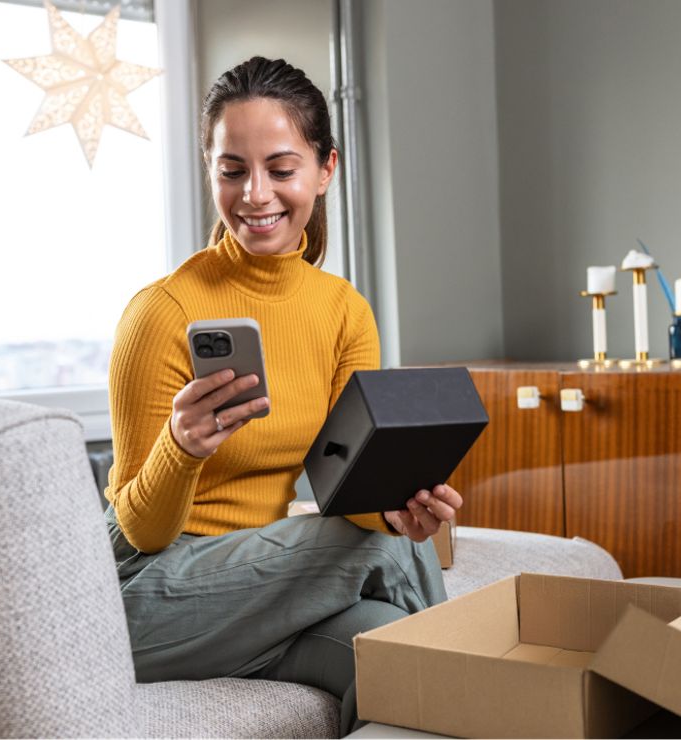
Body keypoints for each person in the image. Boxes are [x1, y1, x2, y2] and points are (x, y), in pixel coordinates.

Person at [103, 56, 462, 738]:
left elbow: (347, 490)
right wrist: (181, 447)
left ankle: (478, 696)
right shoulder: (162, 313)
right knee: (387, 557)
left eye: (280, 168)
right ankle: (504, 687)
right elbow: (142, 531)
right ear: (209, 170)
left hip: (264, 591)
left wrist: (397, 512)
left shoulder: (342, 312)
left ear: (326, 169)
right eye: (232, 169)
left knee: (395, 660)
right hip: (145, 597)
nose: (255, 194)